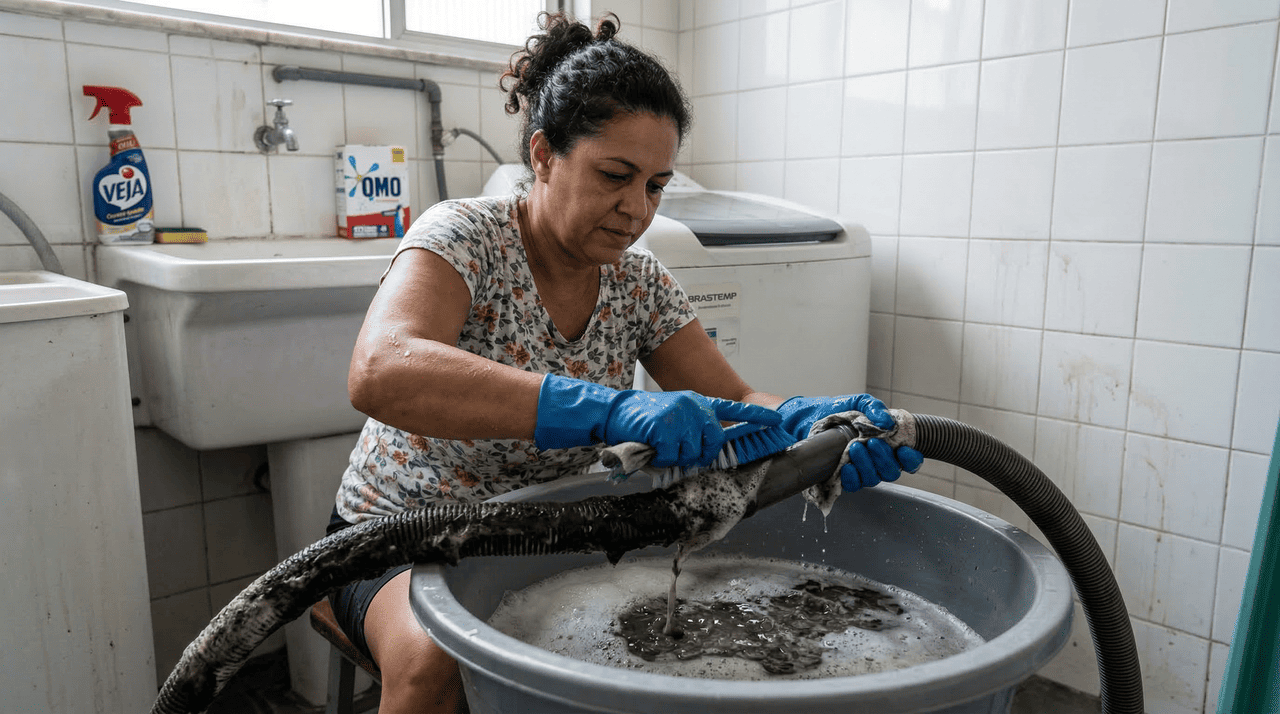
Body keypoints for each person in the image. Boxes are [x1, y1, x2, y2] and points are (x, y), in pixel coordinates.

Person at [325, 12, 923, 713]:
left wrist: (819, 426)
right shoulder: (466, 236)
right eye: (616, 175)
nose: (636, 209)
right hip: (402, 535)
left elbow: (734, 396)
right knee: (437, 664)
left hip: (543, 535)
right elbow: (381, 371)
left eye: (656, 185)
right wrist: (606, 410)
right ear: (545, 155)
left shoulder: (638, 283)